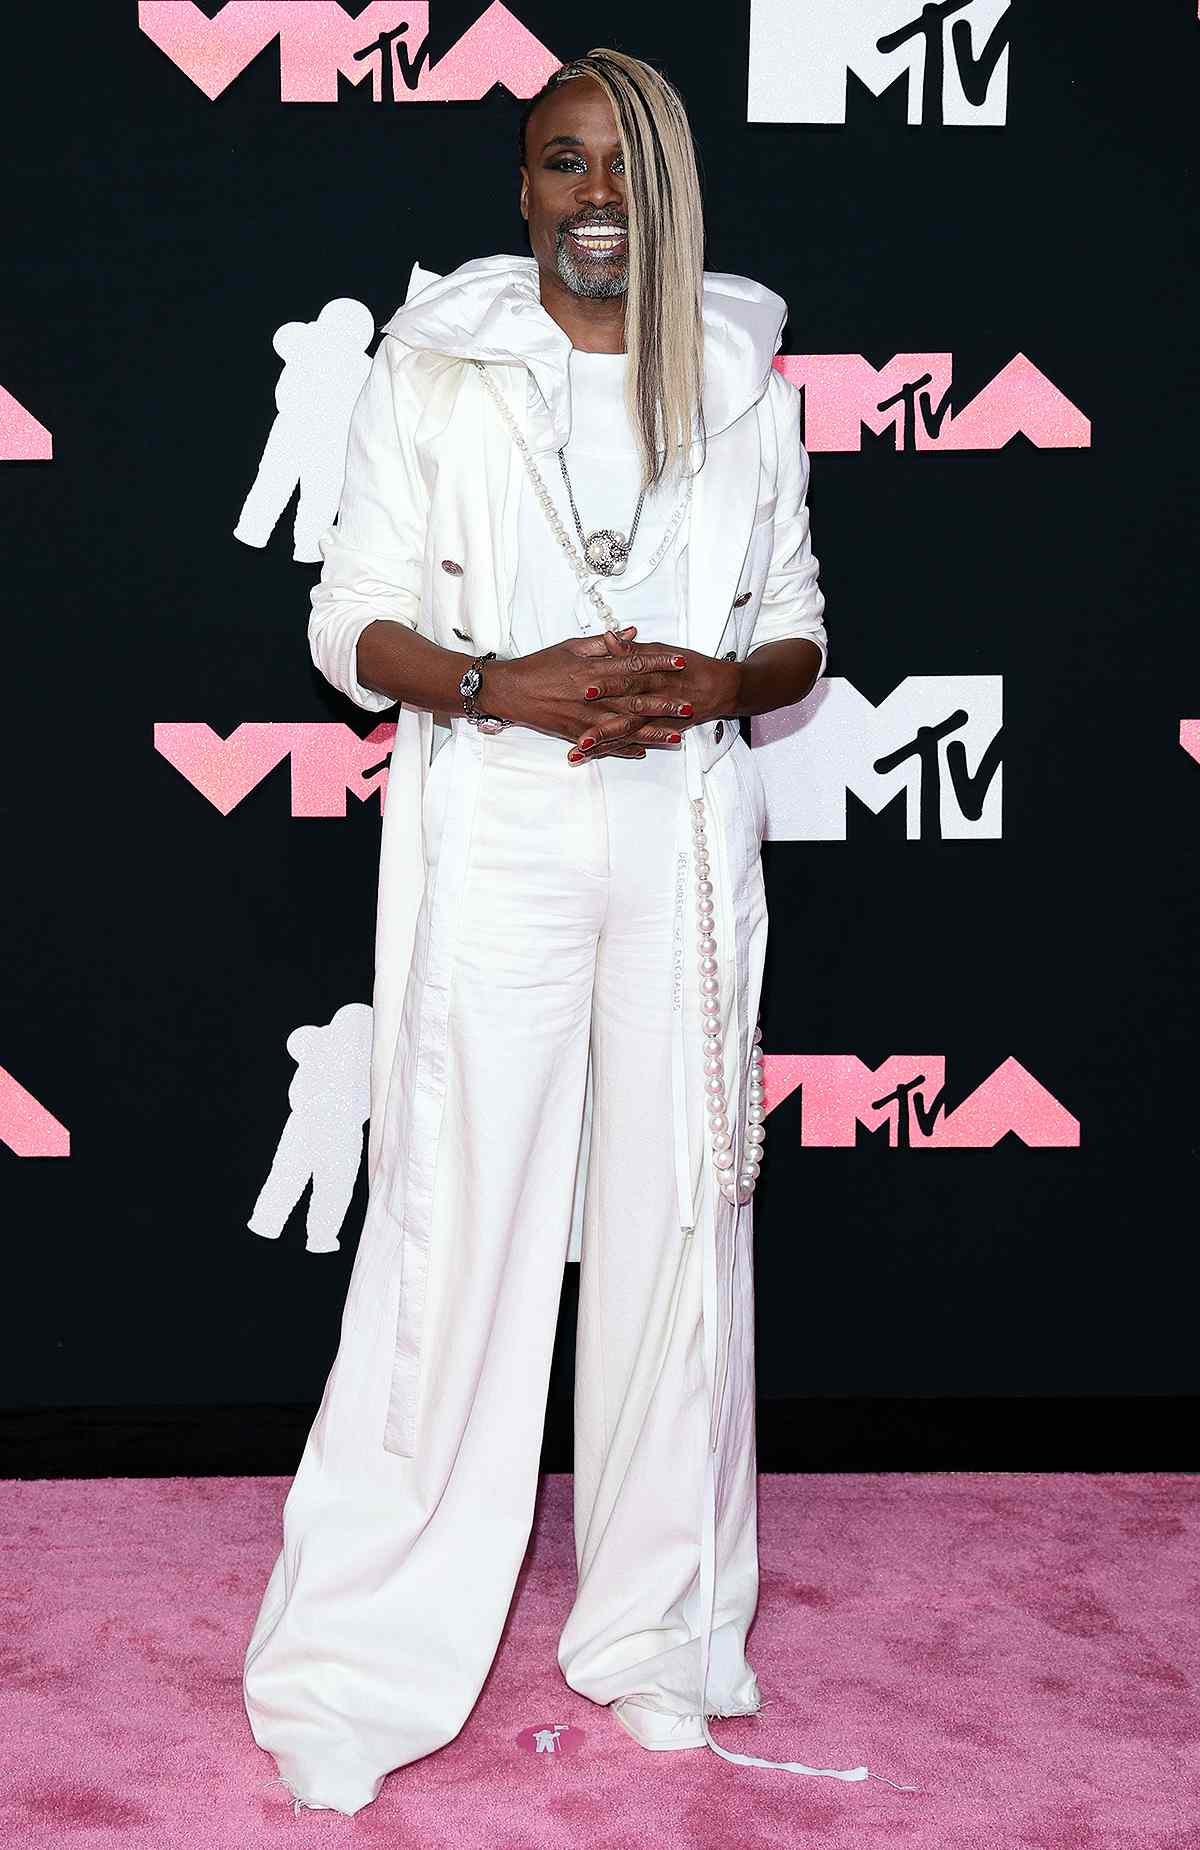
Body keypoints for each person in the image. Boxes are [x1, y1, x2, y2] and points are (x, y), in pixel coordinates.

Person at [242, 47, 898, 1818]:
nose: (591, 195)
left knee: (680, 1226)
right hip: (504, 833)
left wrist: (720, 684)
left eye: (623, 165)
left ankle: (661, 1634)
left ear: (670, 191)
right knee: (458, 1226)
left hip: (681, 837)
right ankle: (366, 1657)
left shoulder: (748, 386)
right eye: (558, 162)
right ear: (521, 188)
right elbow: (347, 619)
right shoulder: (438, 368)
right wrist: (496, 684)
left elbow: (801, 632)